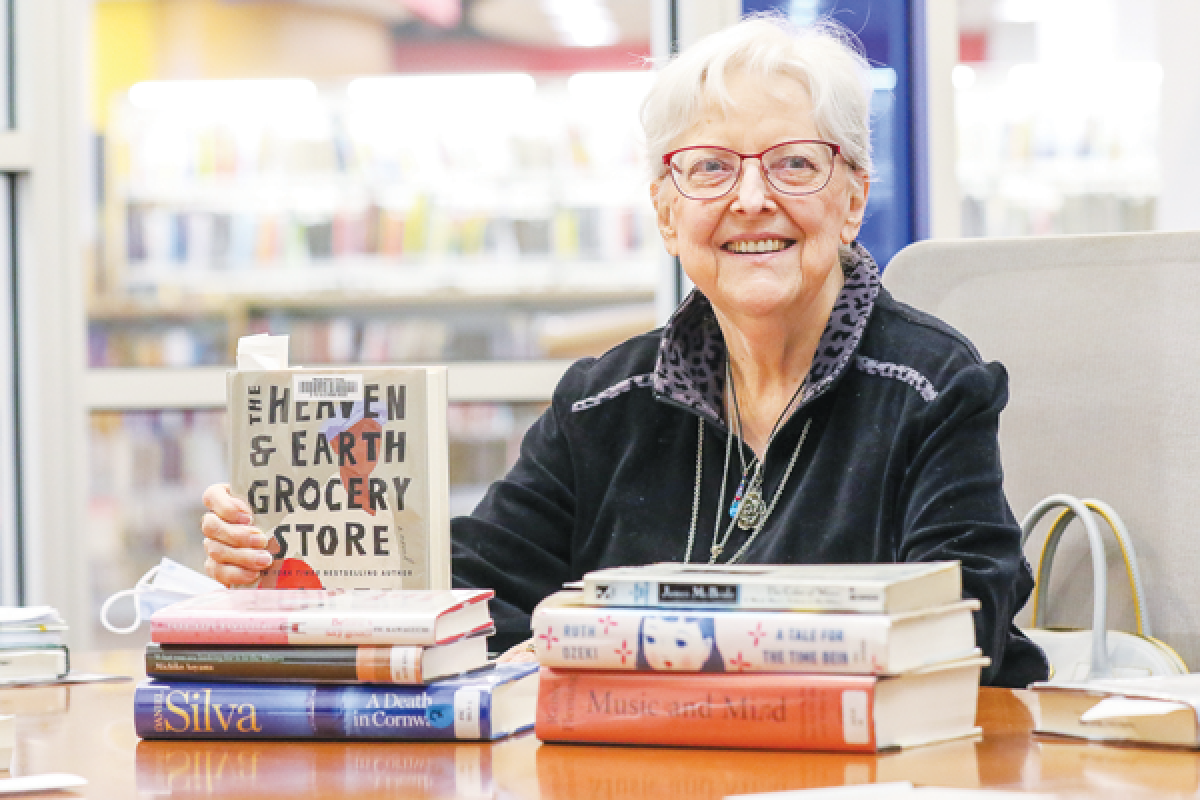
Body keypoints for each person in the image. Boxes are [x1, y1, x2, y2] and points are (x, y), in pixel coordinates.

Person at [201, 14, 1048, 687]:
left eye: (794, 164)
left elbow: (965, 620)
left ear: (853, 197)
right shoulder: (600, 405)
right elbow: (466, 598)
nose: (752, 199)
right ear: (667, 211)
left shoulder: (934, 384)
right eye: (709, 169)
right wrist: (290, 560)